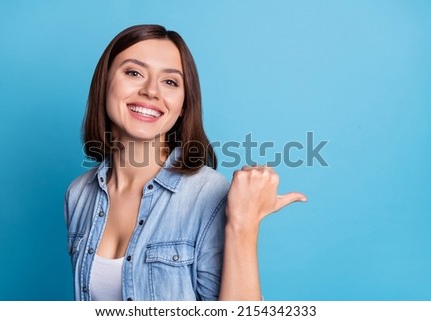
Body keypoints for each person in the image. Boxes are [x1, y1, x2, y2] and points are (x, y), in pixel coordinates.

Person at [64, 24, 306, 301]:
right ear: (104, 84)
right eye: (134, 73)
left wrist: (243, 225)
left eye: (170, 82)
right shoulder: (78, 194)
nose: (151, 91)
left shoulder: (208, 193)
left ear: (183, 106)